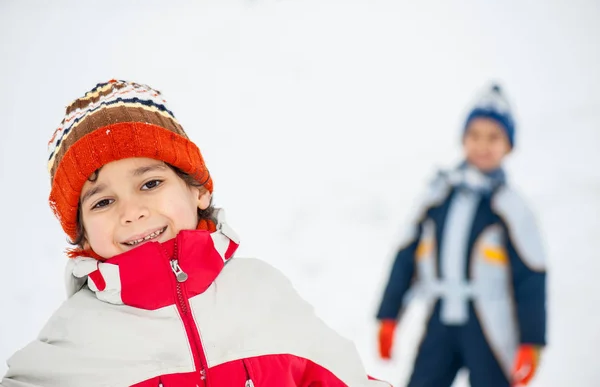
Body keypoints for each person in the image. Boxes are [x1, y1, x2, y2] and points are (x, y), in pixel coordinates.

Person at [1, 79, 388, 387]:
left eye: (150, 183)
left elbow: (343, 378)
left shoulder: (261, 291)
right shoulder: (72, 339)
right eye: (102, 202)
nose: (132, 212)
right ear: (82, 236)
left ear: (198, 190)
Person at [376, 84, 547, 387]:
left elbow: (531, 276)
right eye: (475, 136)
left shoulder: (510, 208)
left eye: (494, 138)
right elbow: (406, 257)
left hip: (489, 326)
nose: (483, 145)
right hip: (440, 320)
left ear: (508, 145)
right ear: (463, 139)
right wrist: (389, 315)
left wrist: (531, 341)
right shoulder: (438, 196)